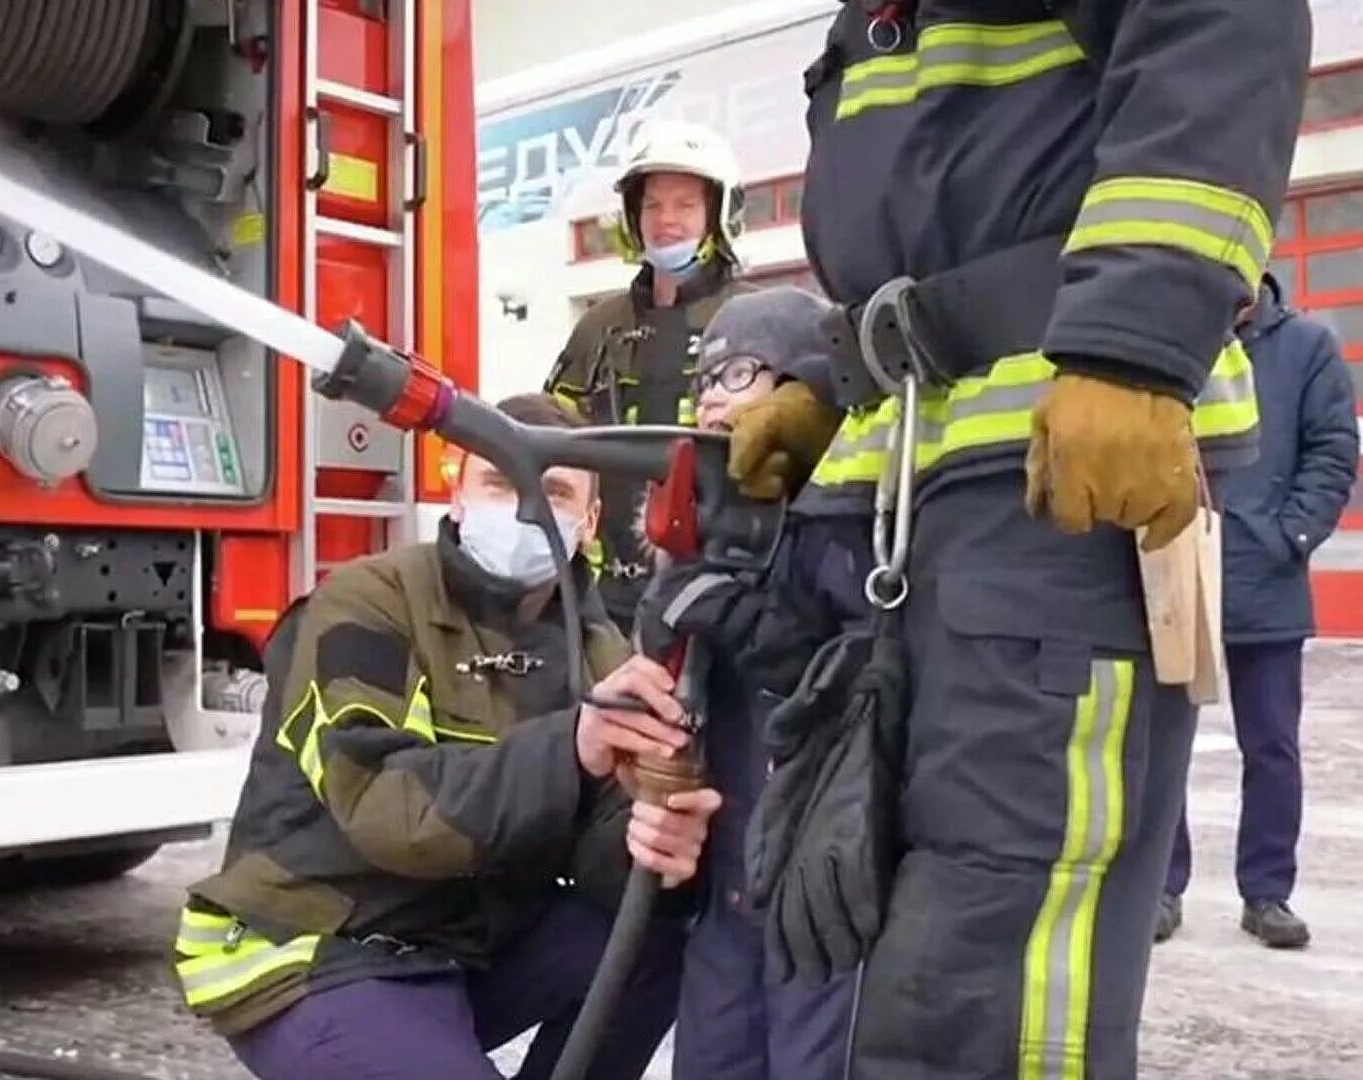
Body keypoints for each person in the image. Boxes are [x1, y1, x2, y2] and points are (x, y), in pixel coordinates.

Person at [723, 2, 1313, 1076]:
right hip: (910, 500)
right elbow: (940, 208)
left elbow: (1220, 26)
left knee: (990, 968)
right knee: (871, 953)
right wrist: (837, 381)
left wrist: (1135, 346)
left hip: (1048, 495)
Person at [173, 392, 723, 1080]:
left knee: (651, 935)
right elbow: (385, 809)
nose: (524, 506)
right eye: (499, 480)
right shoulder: (366, 603)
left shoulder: (597, 649)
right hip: (318, 946)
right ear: (457, 494)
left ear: (587, 523)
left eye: (551, 490)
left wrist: (656, 840)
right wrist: (572, 749)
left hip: (458, 946)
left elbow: (605, 863)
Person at [655, 287, 859, 1080]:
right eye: (705, 375)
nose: (710, 393)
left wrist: (749, 622)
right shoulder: (704, 517)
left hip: (820, 888)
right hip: (728, 886)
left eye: (738, 371)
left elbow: (858, 676)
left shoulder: (843, 515)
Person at [1157, 271, 1359, 949]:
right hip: (1177, 574)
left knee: (1270, 746)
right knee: (1162, 749)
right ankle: (1161, 886)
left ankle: (1267, 892)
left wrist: (1290, 534)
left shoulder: (1305, 347)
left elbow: (1334, 450)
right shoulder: (1172, 336)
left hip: (1266, 576)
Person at [545, 119, 757, 636]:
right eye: (654, 205)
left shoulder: (757, 319)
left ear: (718, 215)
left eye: (685, 205)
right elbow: (552, 434)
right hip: (603, 602)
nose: (667, 221)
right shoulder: (599, 327)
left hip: (724, 594)